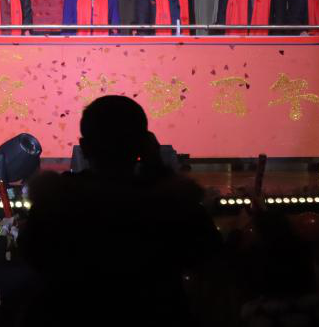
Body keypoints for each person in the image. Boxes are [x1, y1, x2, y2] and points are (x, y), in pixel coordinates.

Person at [18, 95, 220, 326]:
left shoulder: (57, 200)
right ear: (143, 144)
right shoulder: (169, 202)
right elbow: (205, 250)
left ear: (84, 147)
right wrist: (157, 168)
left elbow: (33, 255)